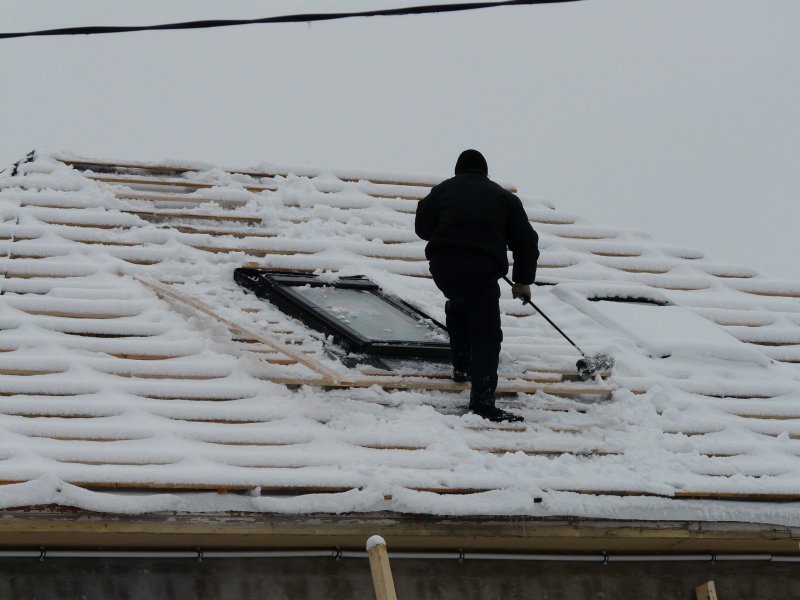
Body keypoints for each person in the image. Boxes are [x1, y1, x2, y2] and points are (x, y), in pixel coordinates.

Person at [415, 150, 539, 423]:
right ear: (485, 172)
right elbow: (527, 241)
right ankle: (482, 403)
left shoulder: (442, 191)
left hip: (444, 267)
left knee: (459, 301)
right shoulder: (504, 198)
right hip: (480, 270)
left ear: (458, 170)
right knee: (487, 335)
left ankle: (462, 364)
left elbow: (422, 228)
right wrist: (522, 280)